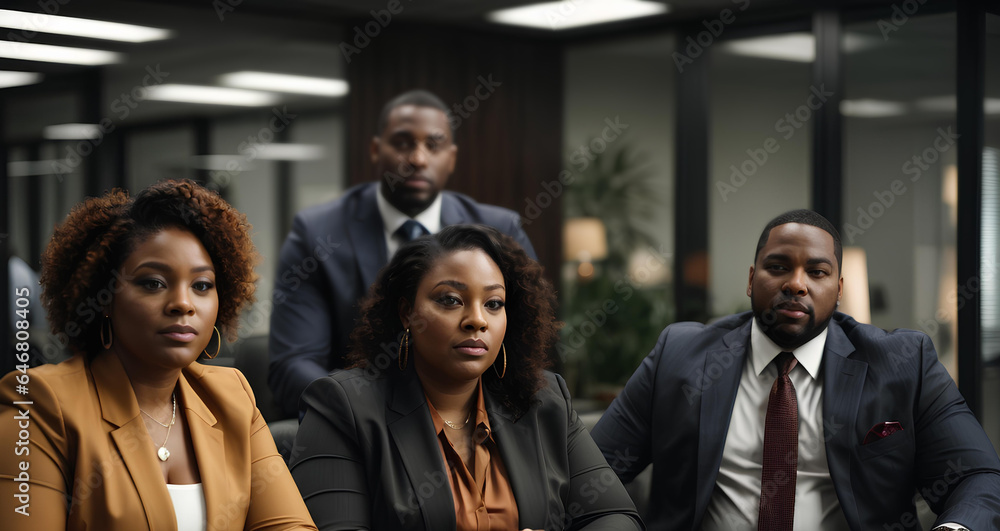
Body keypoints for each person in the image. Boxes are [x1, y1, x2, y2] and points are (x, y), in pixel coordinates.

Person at [591, 209, 1000, 531]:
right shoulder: (680, 355)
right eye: (778, 267)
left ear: (839, 290)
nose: (796, 284)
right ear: (752, 280)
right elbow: (594, 475)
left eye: (817, 272)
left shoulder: (903, 362)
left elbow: (979, 477)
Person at [0, 180, 317, 530]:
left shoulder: (232, 396)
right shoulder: (39, 405)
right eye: (152, 283)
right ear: (104, 297)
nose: (183, 303)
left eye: (201, 285)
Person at [289, 224, 641, 530]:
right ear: (407, 313)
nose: (477, 320)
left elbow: (616, 517)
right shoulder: (342, 408)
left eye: (493, 304)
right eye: (451, 300)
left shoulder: (546, 401)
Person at [269, 89, 536, 419]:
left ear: (451, 157)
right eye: (403, 143)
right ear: (375, 149)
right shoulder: (317, 234)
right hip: (359, 430)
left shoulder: (499, 230)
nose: (418, 159)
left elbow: (531, 349)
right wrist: (370, 415)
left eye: (433, 145)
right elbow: (293, 365)